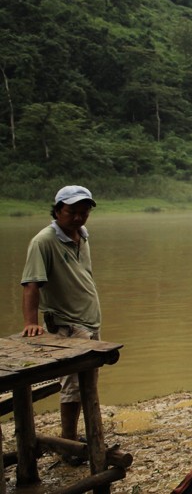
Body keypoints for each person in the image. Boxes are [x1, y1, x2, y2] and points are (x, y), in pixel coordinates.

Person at [20, 186, 101, 450]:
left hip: (88, 321)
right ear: (57, 211)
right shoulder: (43, 241)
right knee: (73, 385)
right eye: (72, 212)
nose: (78, 217)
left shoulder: (83, 235)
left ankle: (84, 436)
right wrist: (31, 322)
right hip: (66, 324)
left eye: (83, 212)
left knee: (88, 382)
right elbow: (32, 284)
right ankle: (68, 442)